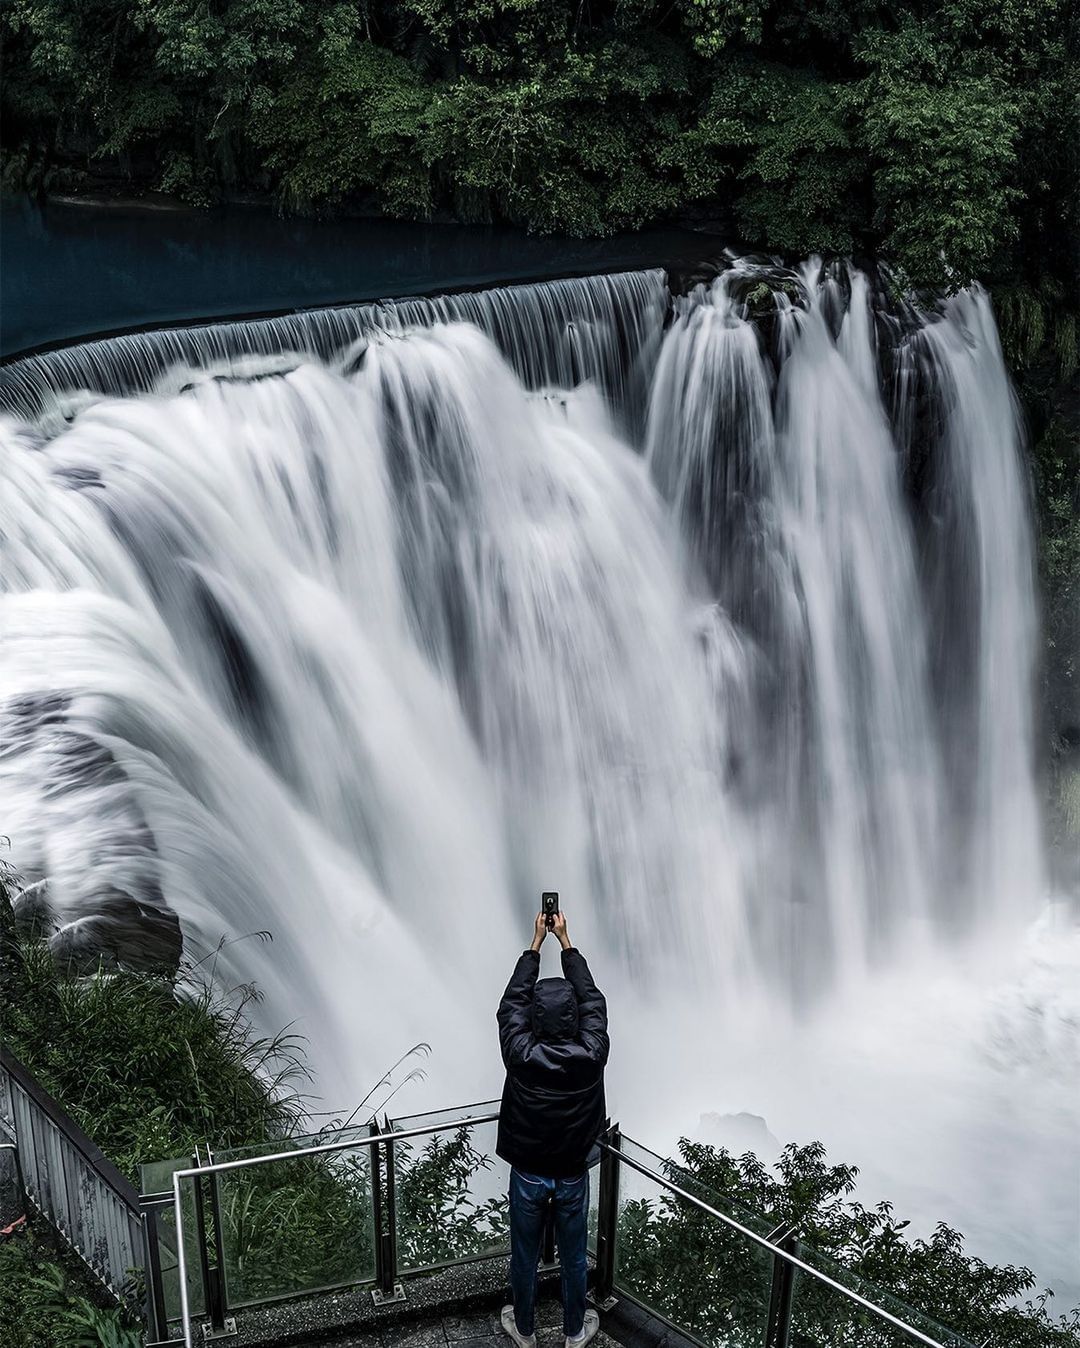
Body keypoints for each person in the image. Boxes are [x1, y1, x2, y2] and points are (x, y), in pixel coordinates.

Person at [496, 907, 609, 1348]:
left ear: (536, 1020)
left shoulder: (521, 1052)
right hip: (572, 1171)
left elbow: (512, 1003)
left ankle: (524, 1331)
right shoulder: (592, 1052)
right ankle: (574, 1332)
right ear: (576, 1019)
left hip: (528, 1171)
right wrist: (567, 944)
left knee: (524, 1254)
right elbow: (594, 1000)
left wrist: (535, 945)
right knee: (575, 1256)